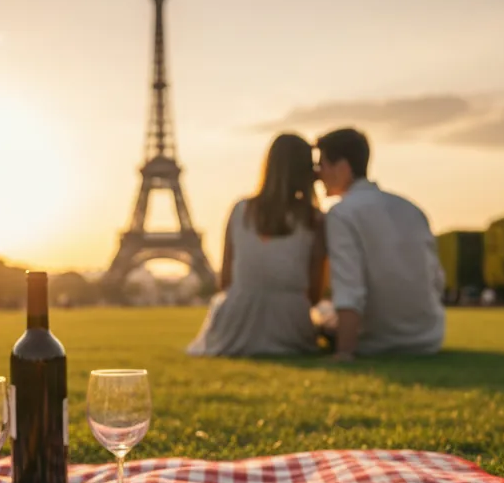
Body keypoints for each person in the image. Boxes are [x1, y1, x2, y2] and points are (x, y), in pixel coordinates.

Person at [187, 133, 326, 357]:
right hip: (290, 323)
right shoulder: (314, 219)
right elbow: (314, 294)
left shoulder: (241, 210)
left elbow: (225, 281)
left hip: (235, 322)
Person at [314, 128, 444, 360]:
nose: (318, 173)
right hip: (427, 338)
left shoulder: (341, 214)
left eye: (321, 164)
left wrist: (344, 352)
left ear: (342, 167)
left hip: (376, 340)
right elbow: (436, 280)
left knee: (319, 312)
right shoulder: (411, 209)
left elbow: (349, 287)